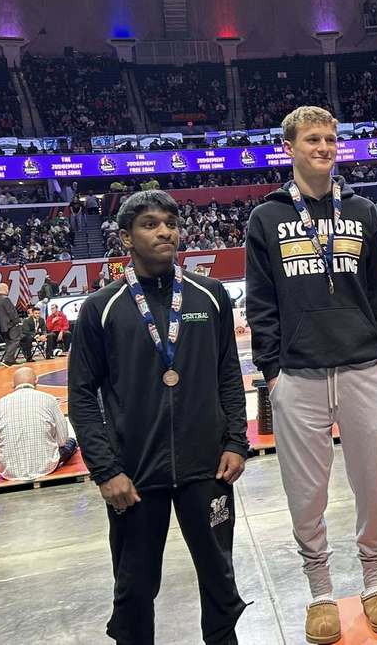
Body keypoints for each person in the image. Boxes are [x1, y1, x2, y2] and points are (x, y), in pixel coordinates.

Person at [245, 106, 377, 644]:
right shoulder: (265, 218)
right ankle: (319, 592)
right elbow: (261, 302)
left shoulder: (362, 211)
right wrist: (272, 373)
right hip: (299, 375)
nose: (324, 147)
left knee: (372, 487)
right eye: (313, 139)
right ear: (289, 146)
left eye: (331, 139)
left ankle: (375, 582)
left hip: (364, 367)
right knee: (305, 491)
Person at [69, 190, 249, 645]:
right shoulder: (101, 308)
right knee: (133, 586)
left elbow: (228, 371)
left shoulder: (209, 296)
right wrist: (106, 470)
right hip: (133, 476)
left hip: (207, 468)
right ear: (126, 236)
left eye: (170, 222)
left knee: (219, 577)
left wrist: (235, 441)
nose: (165, 230)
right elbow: (82, 396)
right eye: (150, 223)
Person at [0, 367, 78, 481]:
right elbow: (62, 440)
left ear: (13, 385)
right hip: (46, 466)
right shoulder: (49, 399)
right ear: (36, 381)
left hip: (8, 470)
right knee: (71, 442)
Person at [0, 283, 21, 366]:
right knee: (15, 340)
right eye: (7, 288)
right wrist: (17, 321)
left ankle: (11, 360)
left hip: (3, 325)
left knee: (9, 342)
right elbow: (11, 312)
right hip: (11, 323)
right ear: (4, 289)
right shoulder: (6, 299)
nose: (8, 290)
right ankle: (7, 359)